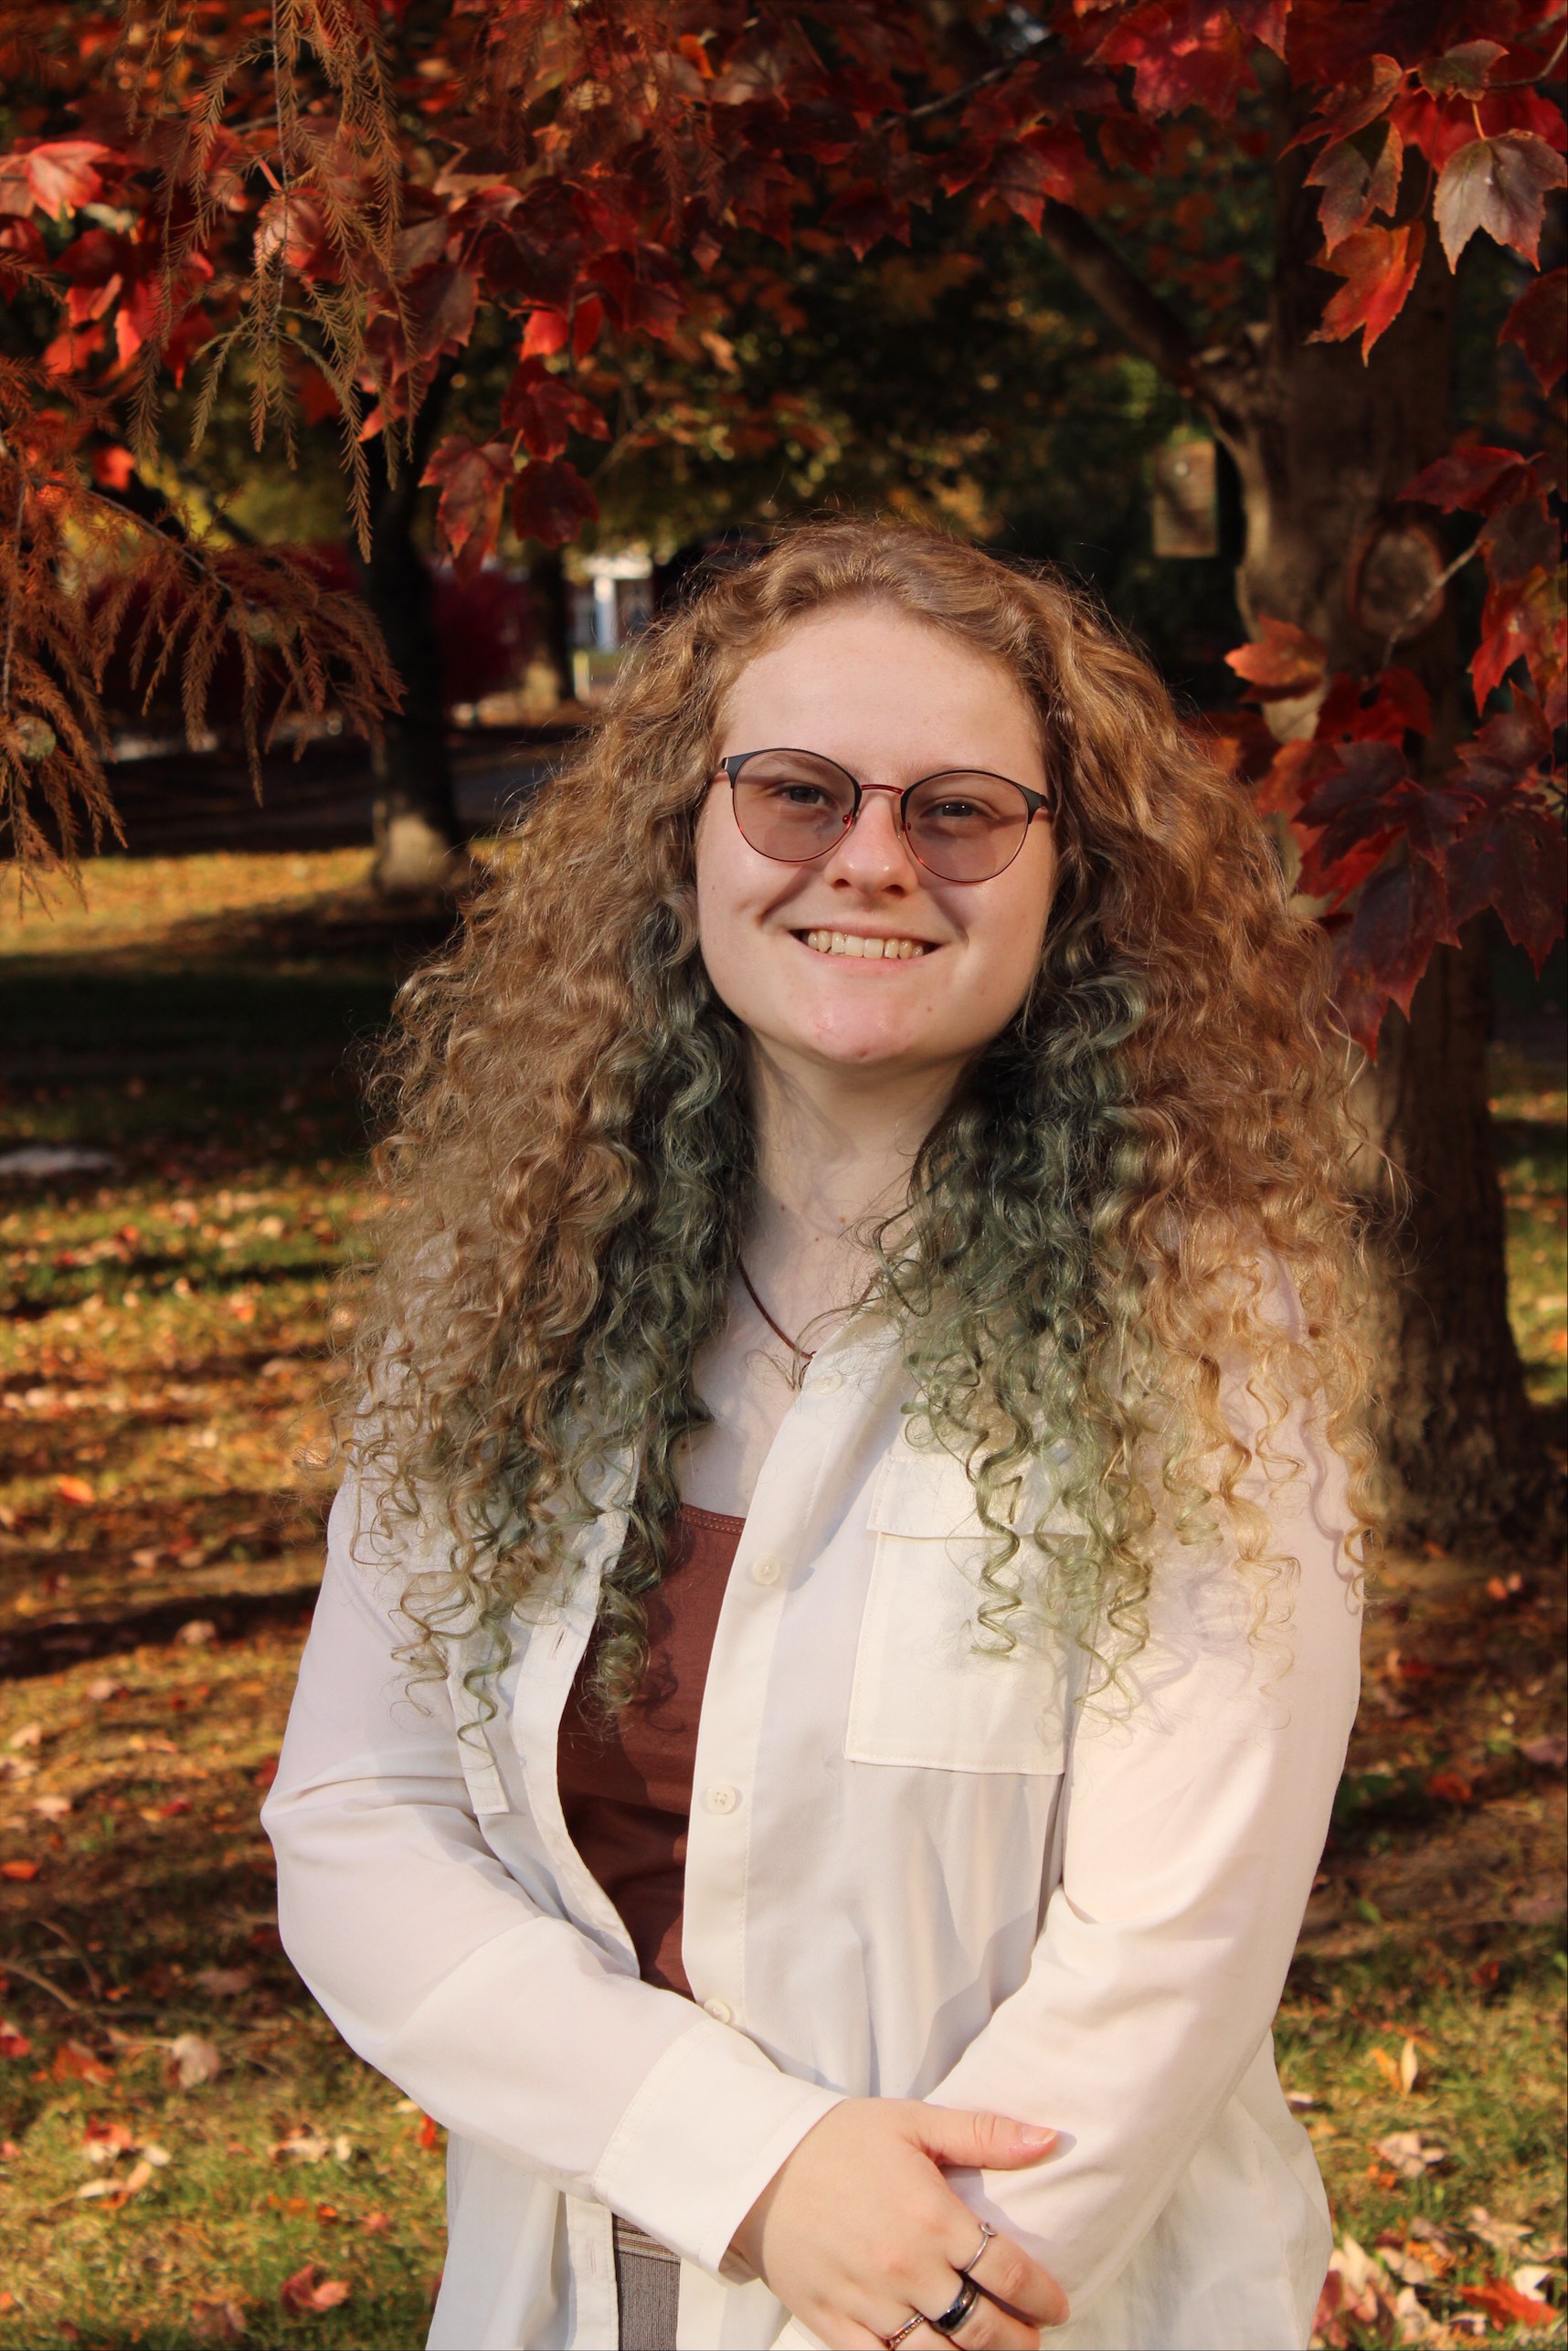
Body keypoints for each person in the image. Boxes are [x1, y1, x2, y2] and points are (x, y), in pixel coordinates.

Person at [263, 521, 1370, 2351]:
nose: (872, 859)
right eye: (795, 792)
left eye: (959, 810)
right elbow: (357, 1816)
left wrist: (898, 2290)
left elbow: (1173, 1953)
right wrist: (749, 2166)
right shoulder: (512, 1295)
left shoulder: (1205, 1335)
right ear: (684, 838)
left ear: (1064, 876)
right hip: (571, 2297)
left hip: (1027, 2307)